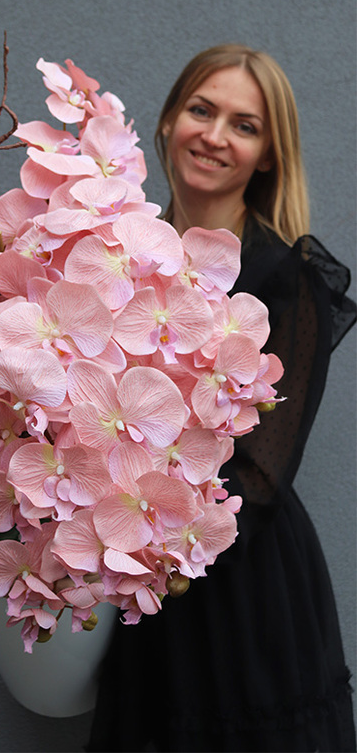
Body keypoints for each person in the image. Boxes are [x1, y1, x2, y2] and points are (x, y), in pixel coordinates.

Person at [87, 45, 356, 752]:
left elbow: (260, 477)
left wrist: (139, 543)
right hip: (137, 569)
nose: (214, 135)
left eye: (244, 125)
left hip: (238, 578)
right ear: (170, 119)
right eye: (202, 110)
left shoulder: (286, 279)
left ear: (268, 154)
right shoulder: (112, 254)